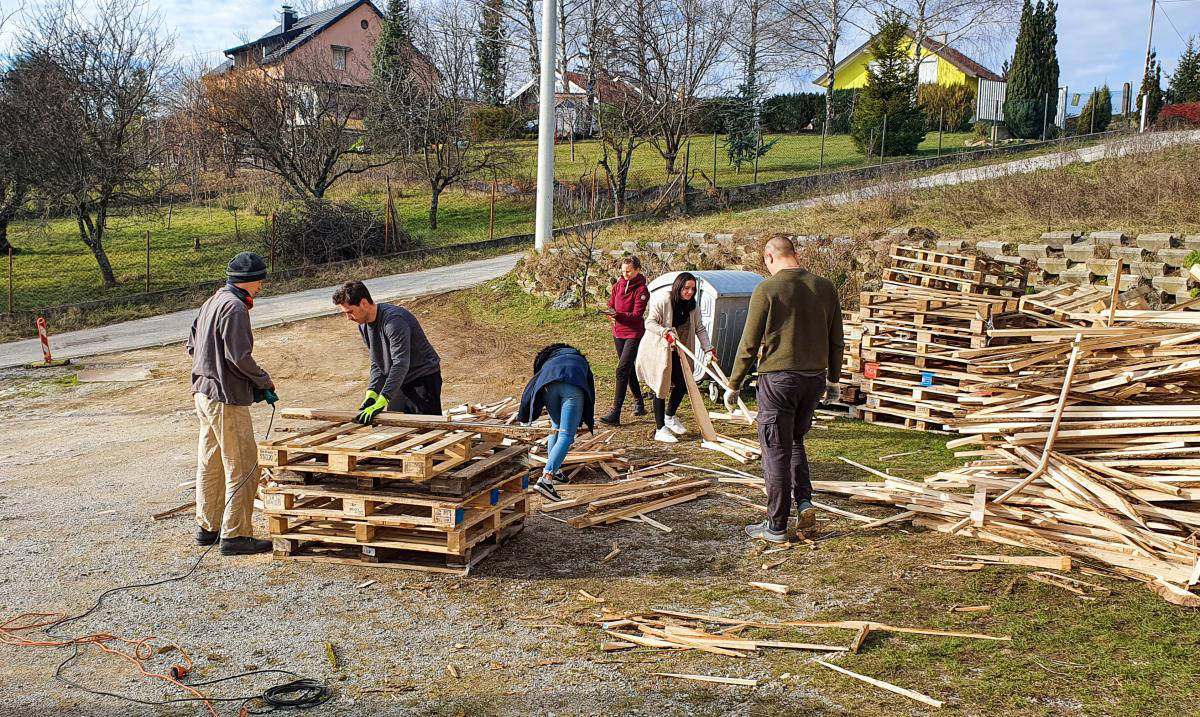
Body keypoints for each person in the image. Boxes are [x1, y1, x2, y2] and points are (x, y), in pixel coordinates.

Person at [725, 235, 844, 543]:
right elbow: (836, 340)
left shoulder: (767, 289)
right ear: (796, 254)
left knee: (775, 449)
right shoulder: (826, 287)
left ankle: (776, 524)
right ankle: (804, 500)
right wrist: (833, 380)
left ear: (769, 257)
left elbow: (749, 342)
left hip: (779, 379)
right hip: (814, 379)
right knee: (794, 440)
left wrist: (734, 383)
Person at [187, 251, 278, 556]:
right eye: (260, 281)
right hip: (225, 399)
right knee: (243, 465)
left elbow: (192, 343)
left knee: (210, 464)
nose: (261, 287)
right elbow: (238, 357)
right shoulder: (235, 307)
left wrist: (214, 368)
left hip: (203, 394)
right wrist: (262, 381)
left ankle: (208, 528)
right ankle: (236, 534)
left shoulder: (212, 301)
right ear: (248, 281)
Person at [332, 280, 443, 423]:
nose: (348, 318)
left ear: (364, 303)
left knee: (427, 432)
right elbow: (377, 362)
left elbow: (400, 363)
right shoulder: (363, 326)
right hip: (399, 380)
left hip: (423, 378)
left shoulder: (394, 321)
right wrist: (372, 394)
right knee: (395, 427)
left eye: (350, 312)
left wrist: (383, 398)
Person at [635, 272, 716, 444]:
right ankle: (659, 428)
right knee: (661, 385)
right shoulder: (665, 299)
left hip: (679, 350)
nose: (689, 292)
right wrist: (665, 332)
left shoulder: (692, 306)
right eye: (686, 288)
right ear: (678, 287)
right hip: (659, 348)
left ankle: (670, 415)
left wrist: (708, 349)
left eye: (692, 289)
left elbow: (700, 329)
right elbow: (649, 322)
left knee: (683, 383)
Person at [517, 344, 596, 501]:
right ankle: (547, 479)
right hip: (573, 386)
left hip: (548, 385)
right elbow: (590, 390)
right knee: (566, 434)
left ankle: (555, 470)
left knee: (556, 426)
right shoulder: (579, 360)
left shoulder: (548, 361)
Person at [599, 256, 650, 426]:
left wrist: (618, 315)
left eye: (628, 271)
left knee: (621, 369)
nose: (625, 274)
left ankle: (615, 412)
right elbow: (611, 304)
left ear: (637, 270)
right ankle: (639, 402)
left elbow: (637, 316)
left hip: (633, 333)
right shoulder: (617, 286)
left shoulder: (642, 290)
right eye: (623, 271)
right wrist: (610, 316)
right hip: (618, 332)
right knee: (627, 369)